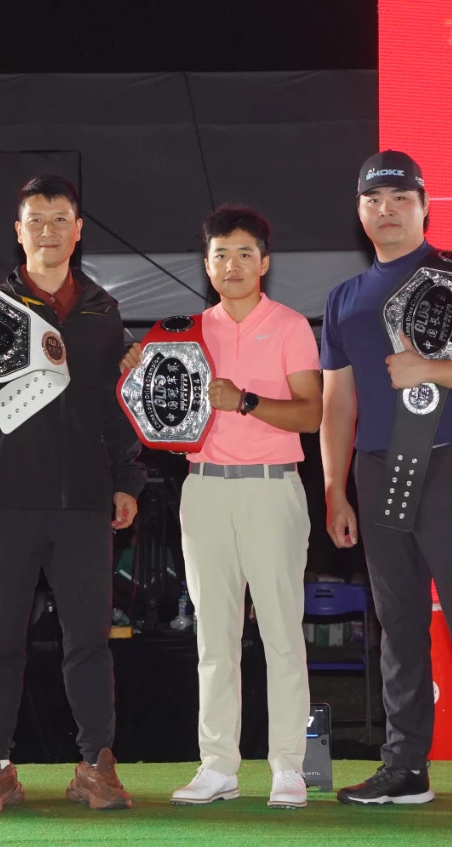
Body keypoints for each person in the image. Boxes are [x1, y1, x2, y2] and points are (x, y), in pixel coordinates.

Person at [319, 150, 452, 816]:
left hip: (449, 466)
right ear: (360, 211)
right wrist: (333, 486)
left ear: (423, 206)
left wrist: (434, 370)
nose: (386, 210)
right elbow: (336, 403)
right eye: (374, 200)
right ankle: (405, 767)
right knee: (397, 623)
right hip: (375, 471)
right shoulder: (343, 298)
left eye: (400, 199)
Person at [0, 174, 146, 813]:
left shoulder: (103, 310)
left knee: (89, 641)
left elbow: (111, 408)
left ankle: (97, 763)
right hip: (2, 502)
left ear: (78, 231)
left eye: (60, 219)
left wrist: (127, 480)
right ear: (18, 232)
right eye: (36, 220)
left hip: (84, 503)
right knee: (0, 642)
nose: (48, 231)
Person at [121, 205, 322, 809]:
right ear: (206, 265)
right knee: (213, 635)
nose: (231, 265)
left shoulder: (289, 325)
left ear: (264, 262)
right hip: (203, 487)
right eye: (220, 255)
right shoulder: (182, 332)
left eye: (243, 254)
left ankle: (289, 766)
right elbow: (149, 405)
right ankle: (217, 766)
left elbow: (311, 413)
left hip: (271, 486)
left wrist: (246, 401)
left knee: (282, 633)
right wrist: (134, 372)